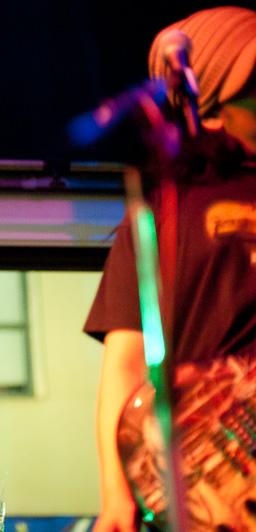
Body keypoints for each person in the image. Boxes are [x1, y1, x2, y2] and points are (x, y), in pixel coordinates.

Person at [84, 6, 256, 532]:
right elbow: (127, 362)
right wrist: (117, 494)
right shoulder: (166, 208)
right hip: (211, 488)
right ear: (215, 100)